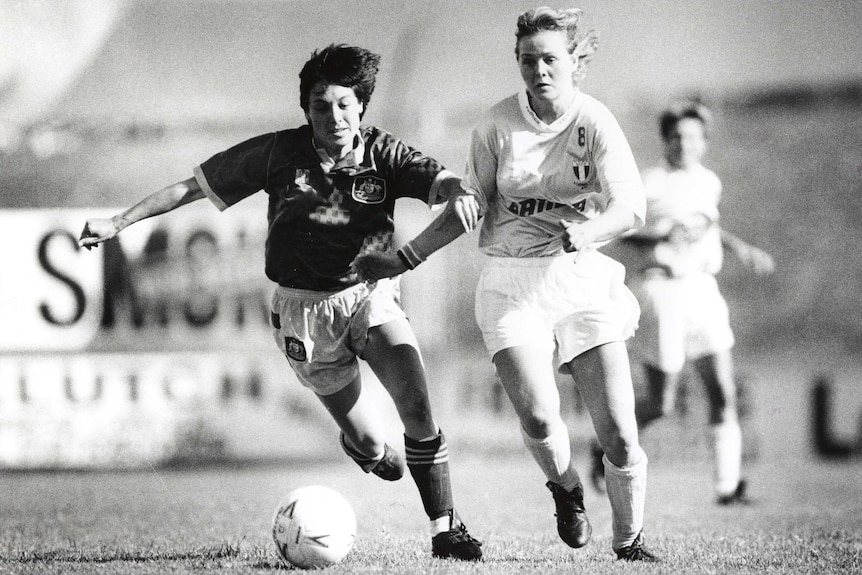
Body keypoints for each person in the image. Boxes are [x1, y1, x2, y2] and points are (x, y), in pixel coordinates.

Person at [78, 44, 483, 561]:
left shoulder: (386, 154)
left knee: (418, 405)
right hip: (303, 313)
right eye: (321, 105)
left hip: (370, 296)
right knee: (369, 441)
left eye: (344, 104)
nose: (333, 116)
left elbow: (441, 179)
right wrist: (117, 223)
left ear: (361, 105)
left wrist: (456, 190)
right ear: (306, 109)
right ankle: (367, 448)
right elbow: (190, 189)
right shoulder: (277, 154)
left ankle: (445, 529)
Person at [353, 7, 660, 562]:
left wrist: (588, 231)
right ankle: (566, 488)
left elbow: (631, 208)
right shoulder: (496, 127)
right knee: (539, 416)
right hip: (511, 283)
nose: (539, 69)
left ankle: (630, 544)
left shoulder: (595, 123)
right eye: (527, 60)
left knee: (618, 434)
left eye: (549, 59)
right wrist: (404, 258)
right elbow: (466, 209)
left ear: (574, 62)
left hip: (581, 279)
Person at [590, 102, 775, 505]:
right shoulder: (649, 182)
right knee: (661, 402)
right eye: (676, 136)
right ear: (666, 140)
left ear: (703, 142)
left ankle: (728, 487)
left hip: (702, 290)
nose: (684, 143)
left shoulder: (708, 181)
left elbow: (706, 223)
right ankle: (601, 446)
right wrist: (659, 237)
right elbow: (619, 231)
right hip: (663, 290)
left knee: (722, 389)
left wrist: (740, 248)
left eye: (692, 136)